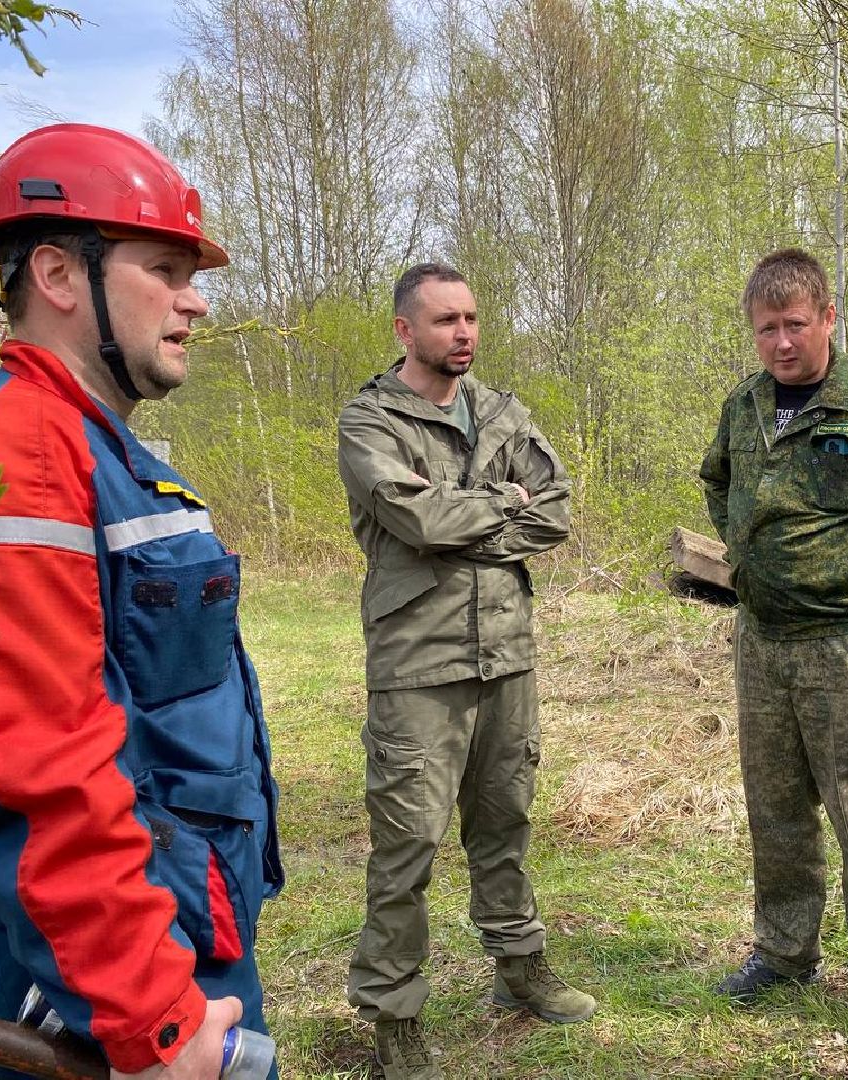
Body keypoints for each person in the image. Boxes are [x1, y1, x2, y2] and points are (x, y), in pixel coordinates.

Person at [0, 124, 283, 1080]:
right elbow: (33, 763)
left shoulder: (100, 448)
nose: (195, 300)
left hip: (172, 920)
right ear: (56, 273)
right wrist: (152, 1021)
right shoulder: (20, 450)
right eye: (166, 268)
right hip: (112, 975)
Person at [337, 262, 592, 1080]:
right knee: (407, 844)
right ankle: (393, 1013)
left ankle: (519, 970)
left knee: (505, 822)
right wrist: (501, 502)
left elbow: (554, 510)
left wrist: (471, 520)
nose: (464, 334)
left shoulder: (503, 412)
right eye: (445, 320)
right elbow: (415, 515)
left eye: (472, 318)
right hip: (419, 662)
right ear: (405, 330)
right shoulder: (370, 420)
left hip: (507, 654)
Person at [699, 247, 848, 1075]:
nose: (781, 344)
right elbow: (718, 481)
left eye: (795, 325)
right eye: (766, 329)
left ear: (829, 317)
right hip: (761, 642)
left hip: (847, 644)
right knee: (775, 809)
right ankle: (784, 952)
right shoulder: (744, 407)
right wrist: (744, 555)